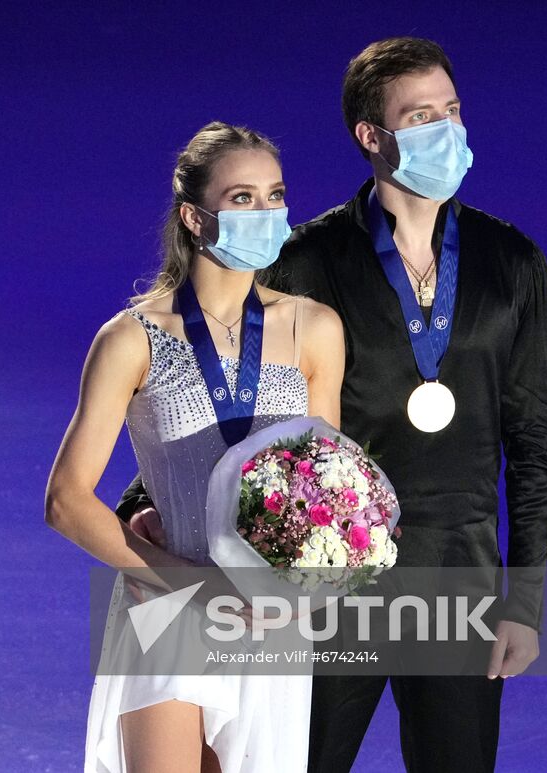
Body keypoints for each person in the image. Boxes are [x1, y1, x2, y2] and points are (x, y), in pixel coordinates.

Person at [118, 38, 547, 772]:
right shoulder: (305, 259)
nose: (446, 131)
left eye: (450, 111)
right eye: (421, 116)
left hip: (458, 582)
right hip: (321, 584)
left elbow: (539, 438)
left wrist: (527, 599)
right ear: (372, 135)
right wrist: (148, 503)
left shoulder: (511, 263)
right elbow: (227, 393)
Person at [47, 122, 345, 772]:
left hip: (271, 620)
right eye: (243, 198)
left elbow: (328, 491)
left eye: (276, 195)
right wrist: (185, 577)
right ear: (194, 216)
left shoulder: (315, 329)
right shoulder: (131, 338)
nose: (266, 213)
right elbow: (67, 500)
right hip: (169, 601)